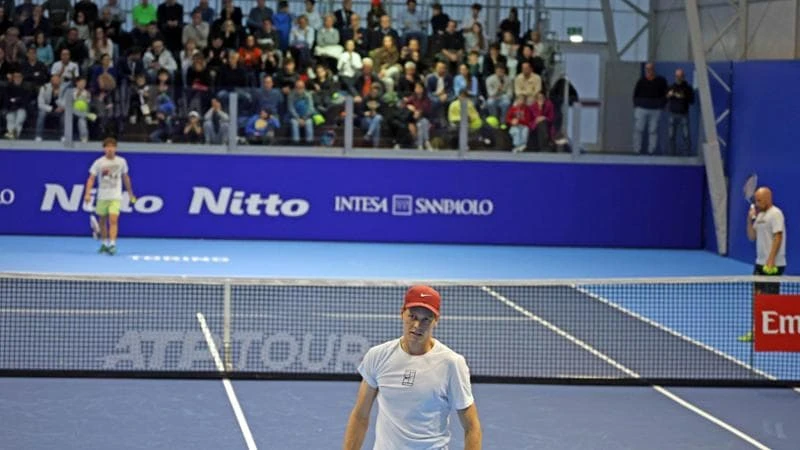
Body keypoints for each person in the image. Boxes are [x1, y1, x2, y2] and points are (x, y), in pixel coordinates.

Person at [343, 285, 482, 449]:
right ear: (402, 313)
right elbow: (360, 416)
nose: (417, 325)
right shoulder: (378, 355)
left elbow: (471, 426)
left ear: (436, 321)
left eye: (426, 319)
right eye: (413, 316)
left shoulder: (452, 364)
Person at [739, 187, 787, 342]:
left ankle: (773, 332)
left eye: (760, 200)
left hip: (773, 264)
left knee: (771, 298)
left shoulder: (776, 214)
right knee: (757, 297)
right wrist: (750, 218)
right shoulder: (759, 216)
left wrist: (771, 259)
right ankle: (756, 330)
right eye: (756, 200)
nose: (757, 203)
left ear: (768, 198)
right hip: (760, 263)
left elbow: (778, 237)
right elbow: (752, 236)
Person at [83, 137, 135, 256]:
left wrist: (130, 192)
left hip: (115, 197)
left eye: (112, 147)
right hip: (102, 197)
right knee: (102, 222)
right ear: (104, 149)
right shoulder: (99, 162)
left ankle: (112, 244)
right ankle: (104, 243)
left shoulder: (121, 161)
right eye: (108, 147)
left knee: (113, 220)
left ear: (115, 148)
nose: (110, 149)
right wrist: (87, 193)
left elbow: (125, 178)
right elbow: (91, 179)